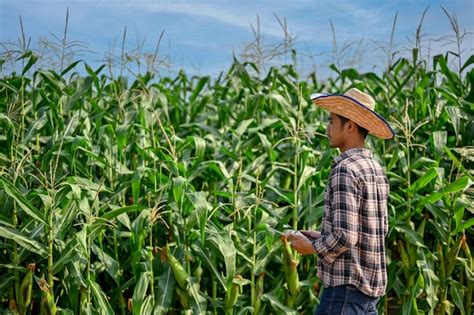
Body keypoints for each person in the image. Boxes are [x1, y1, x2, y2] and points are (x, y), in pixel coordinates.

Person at [285, 88, 394, 314]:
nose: (327, 129)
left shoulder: (345, 169)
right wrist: (322, 236)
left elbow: (346, 237)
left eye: (332, 122)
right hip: (368, 293)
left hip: (344, 291)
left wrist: (311, 247)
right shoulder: (375, 169)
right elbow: (378, 229)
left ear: (350, 126)